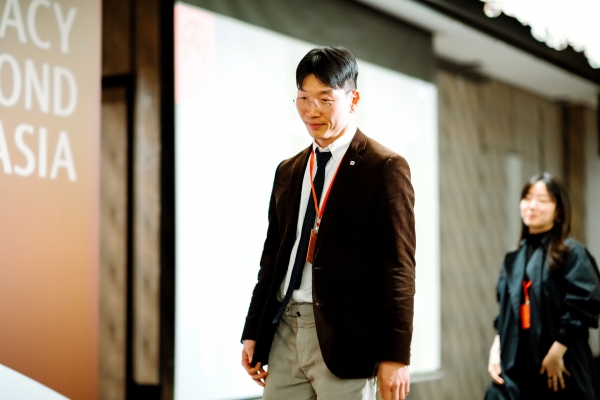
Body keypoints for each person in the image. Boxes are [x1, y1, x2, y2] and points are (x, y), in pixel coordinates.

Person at [240, 46, 416, 400]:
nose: (312, 110)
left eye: (325, 99)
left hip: (347, 339)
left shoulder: (384, 167)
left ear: (353, 100)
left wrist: (396, 355)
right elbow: (272, 258)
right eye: (303, 98)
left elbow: (398, 267)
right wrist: (253, 330)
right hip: (285, 328)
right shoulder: (289, 170)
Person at [485, 172, 600, 399]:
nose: (532, 206)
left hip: (560, 365)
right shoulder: (513, 258)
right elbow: (506, 314)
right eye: (527, 198)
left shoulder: (571, 253)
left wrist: (556, 353)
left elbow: (584, 306)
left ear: (558, 210)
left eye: (543, 200)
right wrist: (496, 349)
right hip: (516, 367)